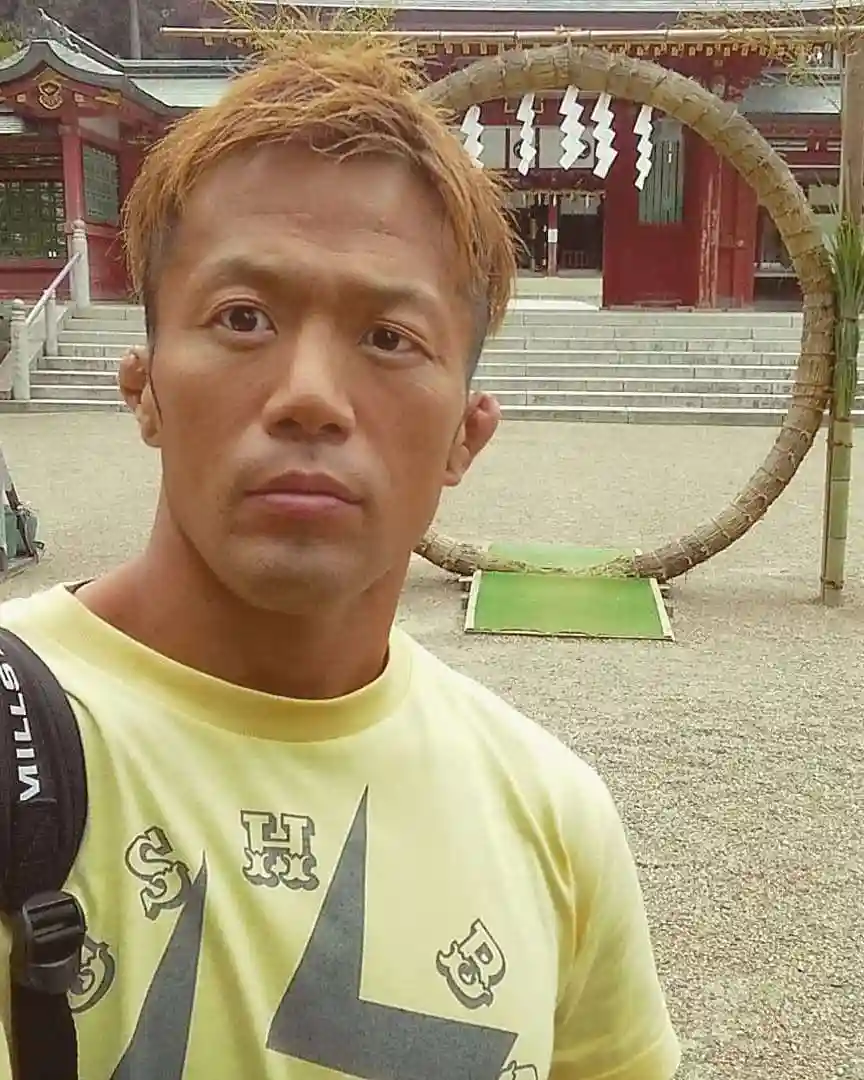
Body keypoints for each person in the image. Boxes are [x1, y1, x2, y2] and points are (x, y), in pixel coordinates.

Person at [0, 37, 680, 1080]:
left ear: (465, 435)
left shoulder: (553, 817)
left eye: (389, 338)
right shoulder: (19, 746)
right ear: (145, 389)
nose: (310, 396)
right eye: (243, 318)